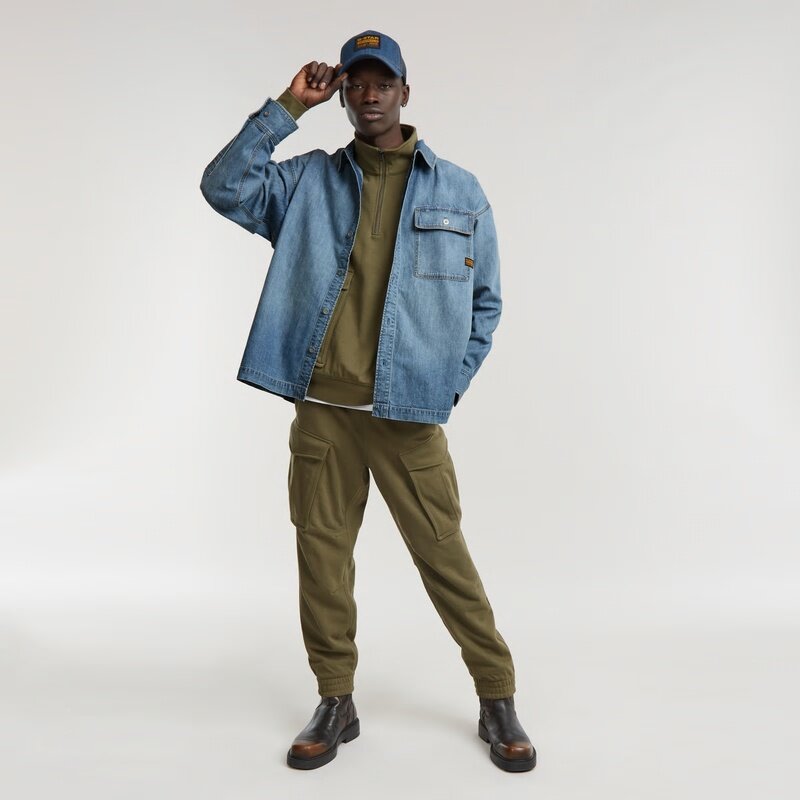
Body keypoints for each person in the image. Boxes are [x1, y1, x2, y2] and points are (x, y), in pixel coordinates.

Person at [200, 29, 536, 773]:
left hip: (408, 418)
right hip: (324, 414)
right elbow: (224, 186)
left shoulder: (459, 191)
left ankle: (496, 695)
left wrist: (446, 383)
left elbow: (485, 304)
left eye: (383, 83)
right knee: (322, 561)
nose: (370, 95)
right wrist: (290, 105)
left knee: (446, 560)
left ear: (405, 93)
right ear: (344, 95)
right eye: (356, 84)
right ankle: (335, 699)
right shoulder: (307, 183)